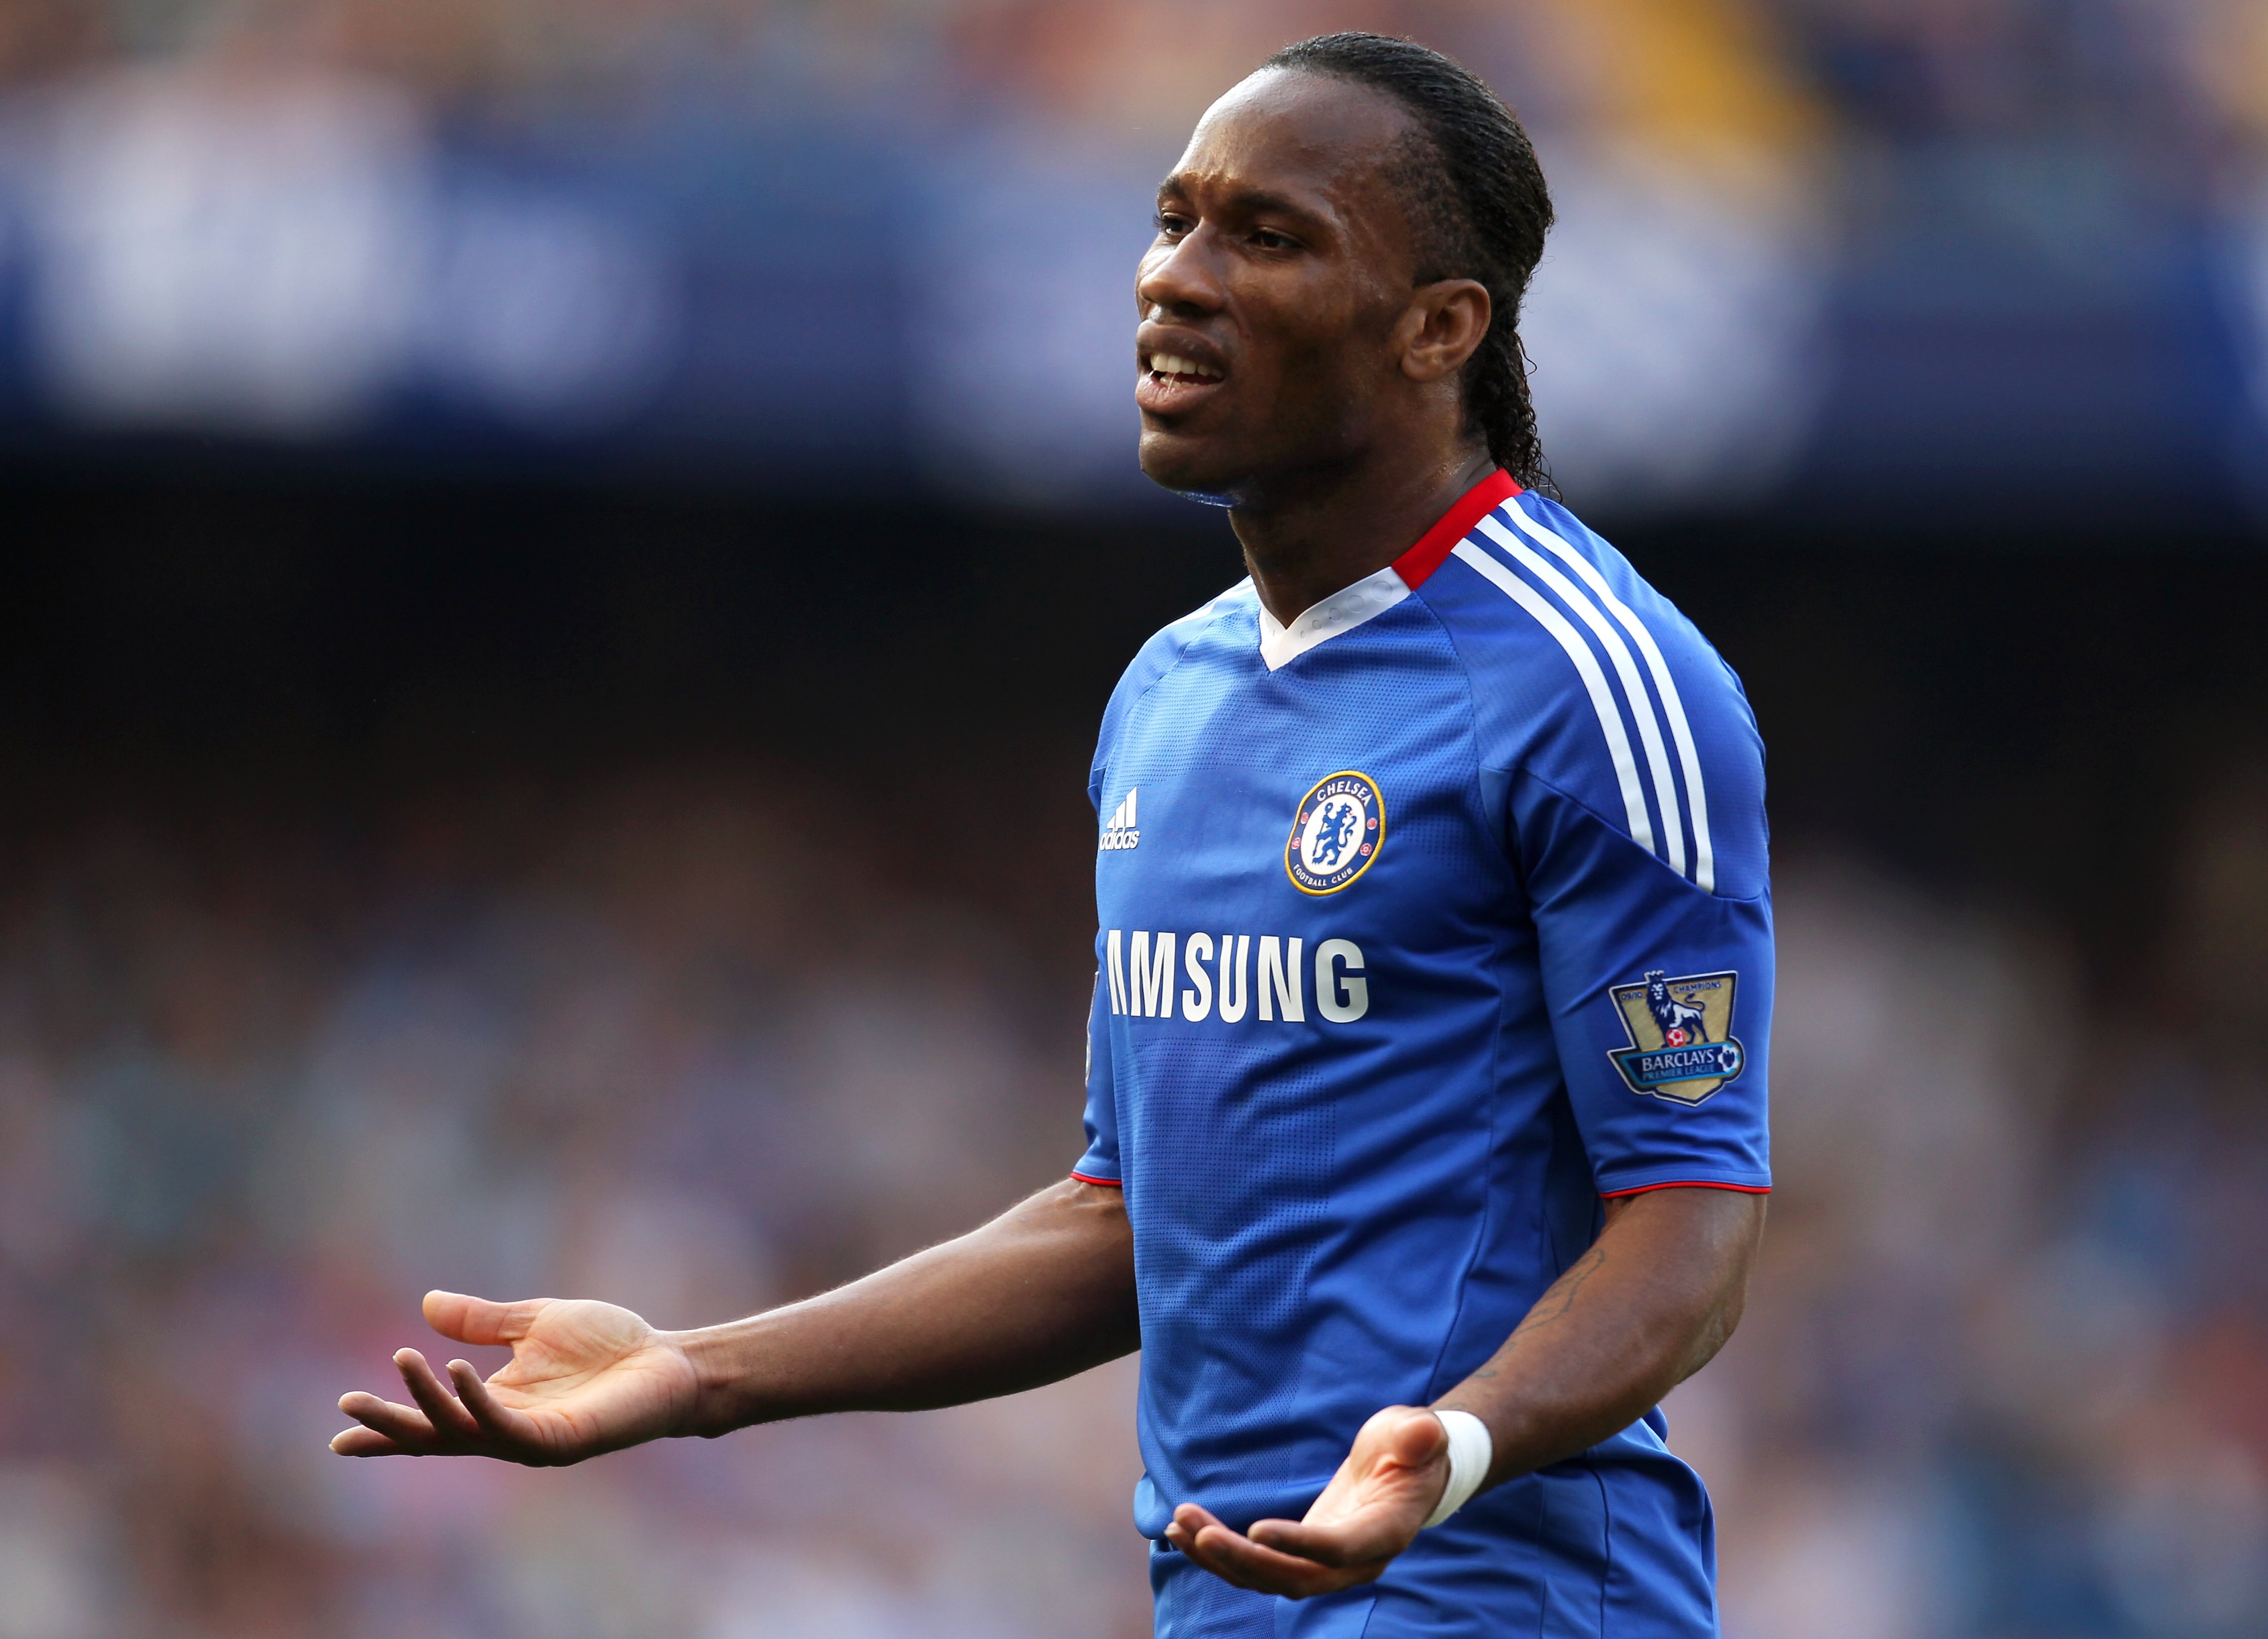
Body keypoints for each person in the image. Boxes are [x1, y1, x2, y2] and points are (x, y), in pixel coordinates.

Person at [333, 32, 1772, 1636]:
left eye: (1271, 237)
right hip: (1234, 1595)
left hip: (1501, 1596)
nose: (1179, 278)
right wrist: (696, 1371)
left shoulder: (1603, 683)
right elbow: (1119, 1220)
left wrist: (1457, 1448)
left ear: (1441, 328)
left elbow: (1691, 1225)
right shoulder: (1172, 693)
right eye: (1176, 222)